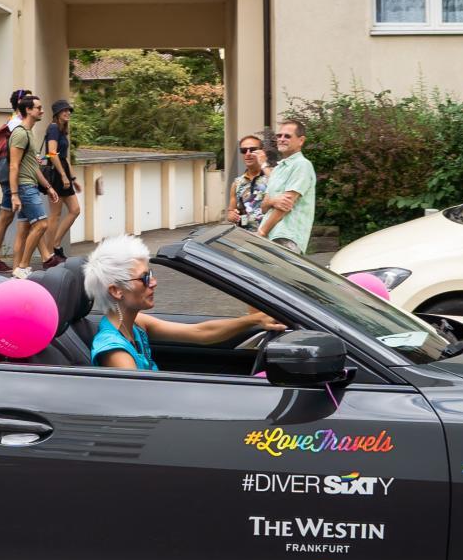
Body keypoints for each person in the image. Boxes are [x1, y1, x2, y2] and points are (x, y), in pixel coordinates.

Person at [82, 234, 280, 371]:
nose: (154, 282)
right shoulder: (115, 351)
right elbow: (141, 401)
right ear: (116, 291)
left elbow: (201, 333)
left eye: (150, 274)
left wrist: (254, 320)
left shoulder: (135, 323)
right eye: (144, 278)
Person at [7, 93, 60, 276]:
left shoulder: (29, 133)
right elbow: (13, 165)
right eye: (38, 108)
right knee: (42, 225)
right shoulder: (20, 134)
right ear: (28, 110)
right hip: (24, 187)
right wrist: (14, 194)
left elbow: (33, 166)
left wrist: (48, 187)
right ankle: (22, 267)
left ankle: (16, 271)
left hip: (29, 185)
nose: (42, 110)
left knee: (24, 229)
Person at [0, 89, 31, 274]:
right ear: (21, 103)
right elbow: (16, 153)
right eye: (28, 100)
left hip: (10, 176)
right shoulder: (15, 123)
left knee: (7, 217)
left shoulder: (13, 121)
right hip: (13, 177)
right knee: (30, 218)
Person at [259, 120, 317, 254]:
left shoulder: (302, 165)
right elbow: (263, 207)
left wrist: (261, 232)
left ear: (301, 140)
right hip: (270, 235)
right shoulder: (279, 168)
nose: (281, 139)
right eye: (279, 136)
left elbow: (284, 207)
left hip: (286, 238)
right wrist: (273, 201)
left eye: (287, 136)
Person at [42, 98, 81, 265]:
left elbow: (64, 156)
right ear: (57, 114)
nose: (67, 113)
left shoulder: (62, 129)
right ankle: (50, 253)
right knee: (55, 215)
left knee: (75, 210)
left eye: (69, 110)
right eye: (64, 111)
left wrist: (73, 178)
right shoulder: (52, 128)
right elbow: (51, 153)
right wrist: (63, 176)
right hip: (56, 174)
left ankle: (56, 245)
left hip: (63, 172)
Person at [227, 134, 271, 230]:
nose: (248, 153)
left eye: (252, 150)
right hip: (245, 238)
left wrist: (264, 164)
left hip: (269, 237)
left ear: (262, 152)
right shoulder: (237, 183)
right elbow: (230, 211)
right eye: (243, 150)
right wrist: (231, 215)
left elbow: (279, 188)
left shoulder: (272, 175)